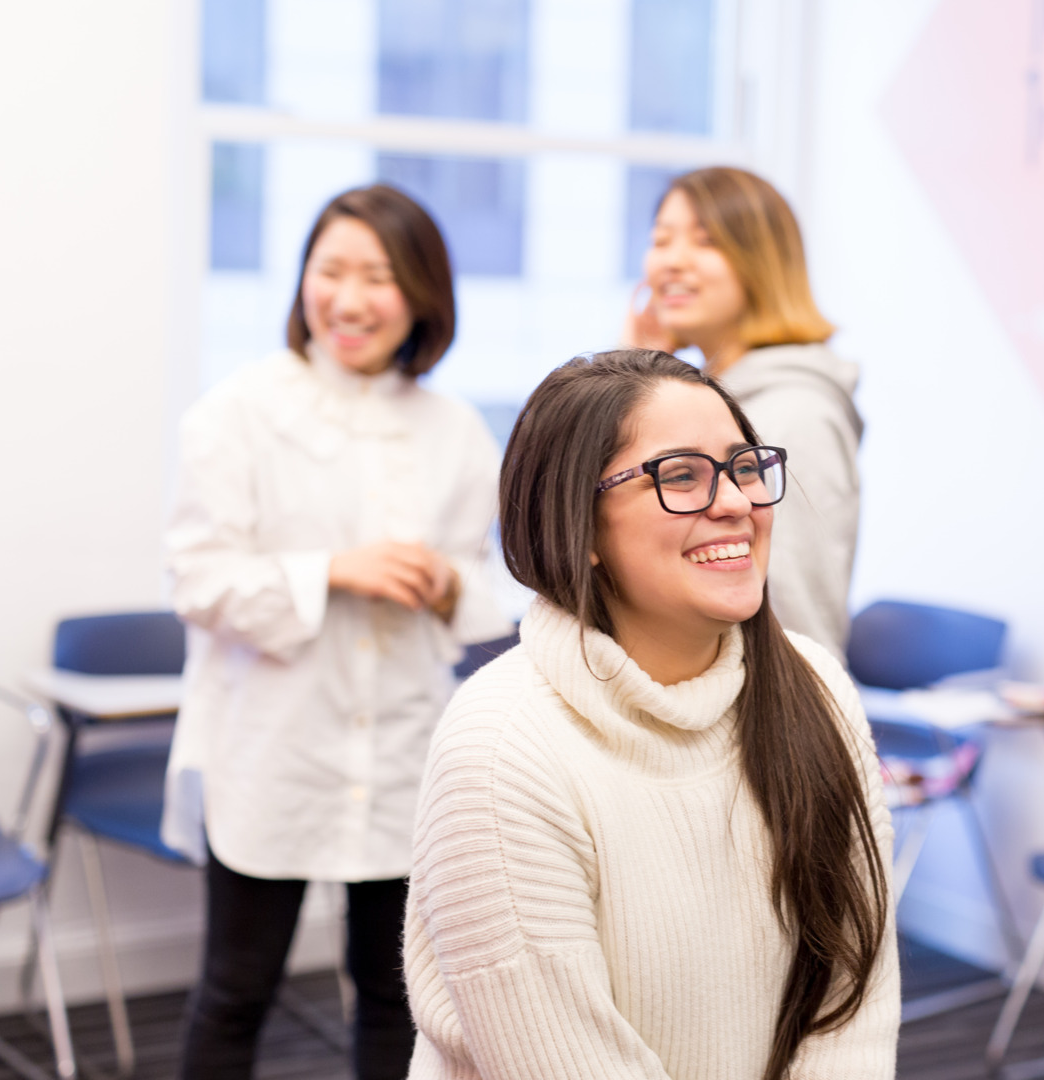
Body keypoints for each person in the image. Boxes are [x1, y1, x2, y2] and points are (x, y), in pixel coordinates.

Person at [402, 349, 899, 1080]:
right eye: (681, 476)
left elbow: (852, 1003)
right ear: (579, 525)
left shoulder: (814, 685)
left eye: (744, 467)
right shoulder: (501, 746)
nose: (736, 503)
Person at [164, 184, 509, 1080]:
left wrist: (446, 583)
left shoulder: (455, 431)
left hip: (402, 753)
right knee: (236, 991)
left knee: (400, 998)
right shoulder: (237, 412)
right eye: (331, 271)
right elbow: (198, 581)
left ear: (423, 295)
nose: (349, 300)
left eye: (379, 277)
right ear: (302, 279)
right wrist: (331, 572)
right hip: (271, 747)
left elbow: (483, 586)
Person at [625, 167, 861, 658]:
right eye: (661, 240)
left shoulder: (793, 411)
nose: (672, 262)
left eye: (706, 241)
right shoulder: (712, 399)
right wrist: (637, 372)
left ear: (763, 263)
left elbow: (797, 624)